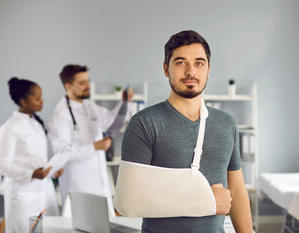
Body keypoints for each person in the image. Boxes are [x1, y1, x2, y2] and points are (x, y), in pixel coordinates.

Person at [120, 30, 253, 232]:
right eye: (180, 62)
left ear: (208, 69)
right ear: (166, 69)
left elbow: (237, 189)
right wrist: (206, 202)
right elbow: (126, 204)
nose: (191, 71)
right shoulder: (144, 123)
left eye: (199, 63)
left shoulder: (226, 123)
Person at [47, 64, 134, 211]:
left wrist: (125, 102)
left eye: (88, 81)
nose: (87, 86)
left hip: (100, 182)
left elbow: (111, 120)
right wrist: (95, 146)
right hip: (78, 184)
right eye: (82, 83)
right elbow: (62, 152)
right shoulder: (60, 115)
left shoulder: (89, 106)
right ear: (68, 86)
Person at [0, 77, 62, 233]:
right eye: (37, 98)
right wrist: (32, 174)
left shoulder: (37, 123)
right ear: (24, 102)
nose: (42, 101)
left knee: (51, 229)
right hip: (21, 194)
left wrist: (52, 171)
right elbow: (2, 165)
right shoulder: (9, 127)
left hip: (44, 190)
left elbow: (36, 159)